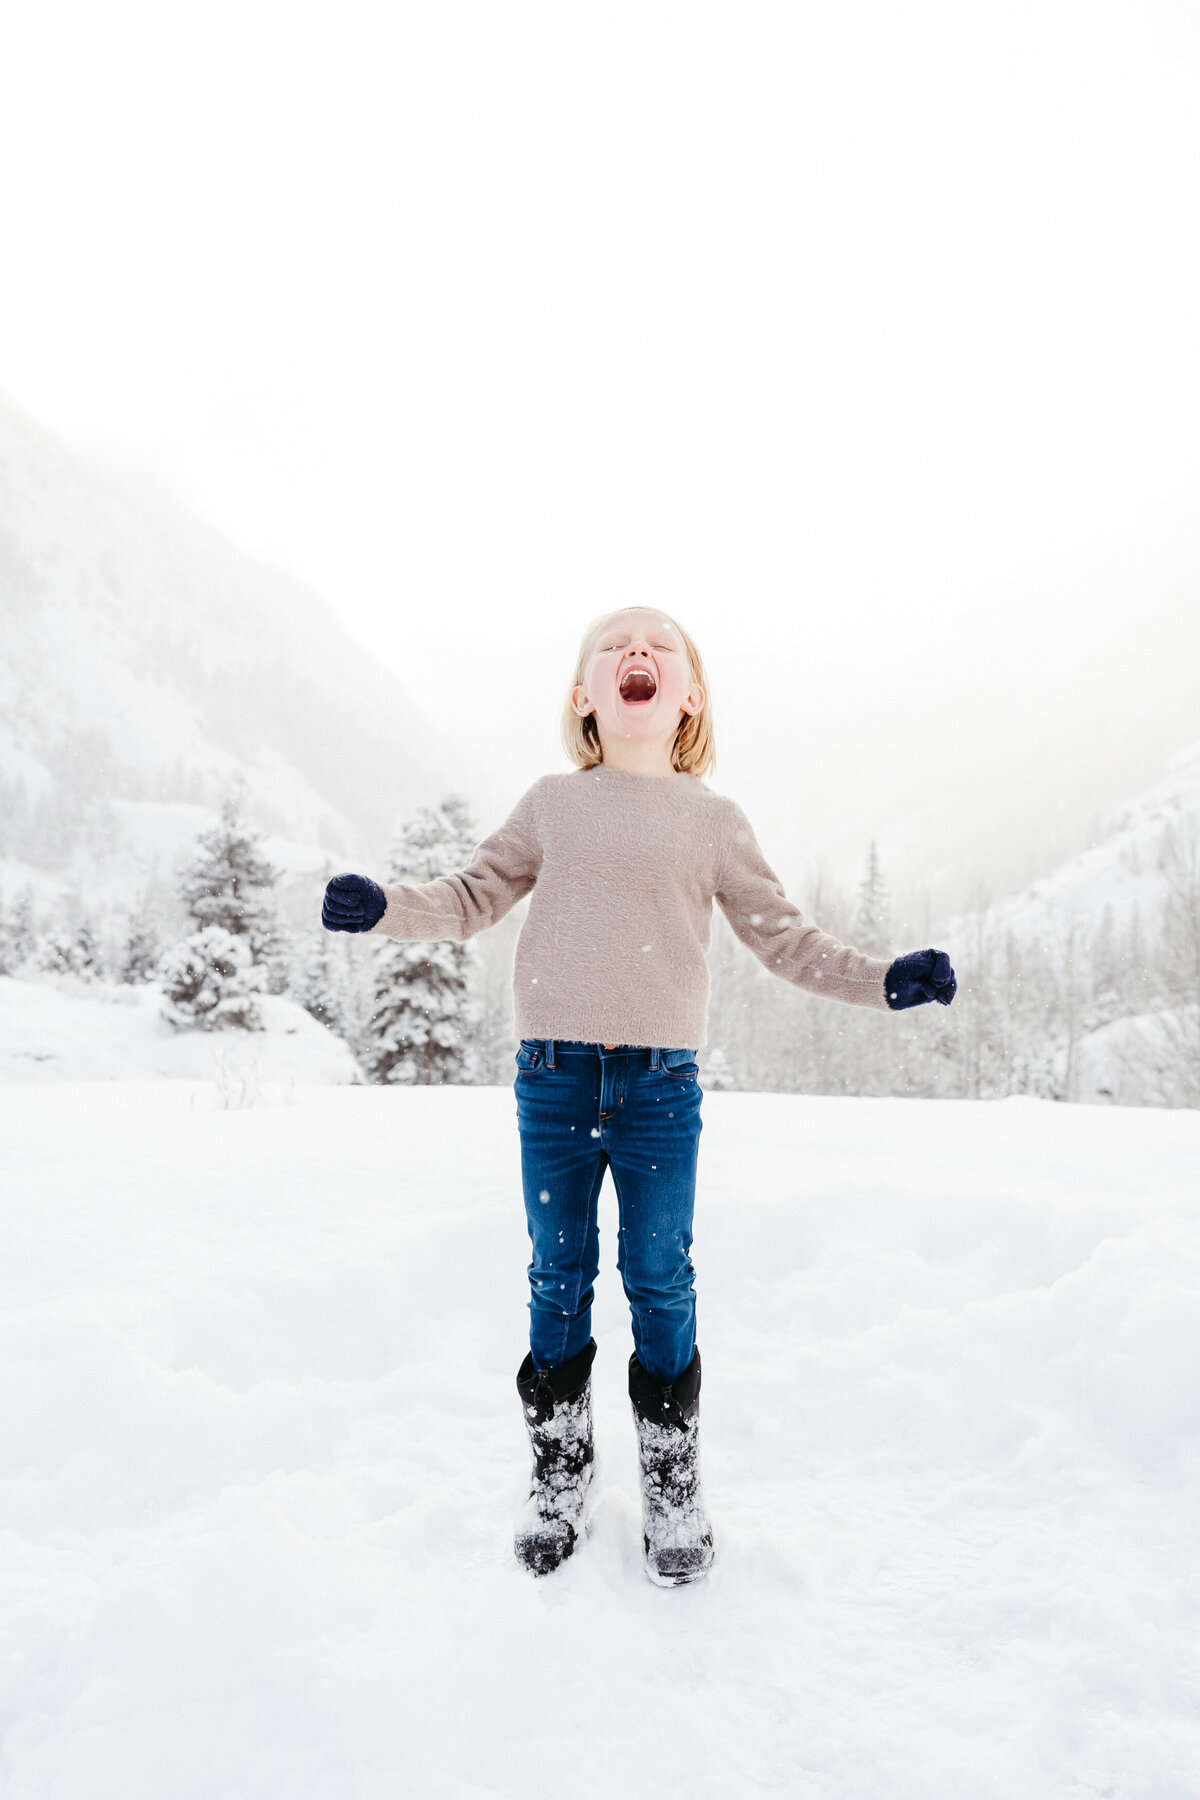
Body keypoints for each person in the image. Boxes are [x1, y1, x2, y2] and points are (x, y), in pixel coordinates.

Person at [321, 607, 956, 1586]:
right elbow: (468, 896)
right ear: (584, 695)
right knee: (557, 1274)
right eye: (614, 646)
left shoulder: (713, 823)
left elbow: (784, 938)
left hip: (661, 1087)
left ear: (688, 698)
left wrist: (881, 978)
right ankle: (562, 1472)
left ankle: (671, 1483)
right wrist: (386, 909)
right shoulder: (550, 806)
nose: (637, 653)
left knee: (660, 1276)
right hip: (555, 1078)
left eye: (661, 646)